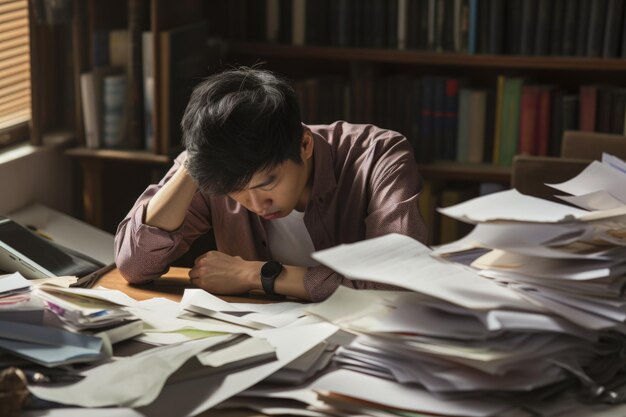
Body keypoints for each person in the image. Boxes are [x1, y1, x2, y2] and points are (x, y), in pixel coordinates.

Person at [114, 67, 427, 302]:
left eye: (268, 182)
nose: (255, 203)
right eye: (236, 192)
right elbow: (135, 266)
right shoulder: (216, 169)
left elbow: (395, 284)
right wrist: (193, 163)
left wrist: (254, 275)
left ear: (304, 145)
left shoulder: (379, 155)